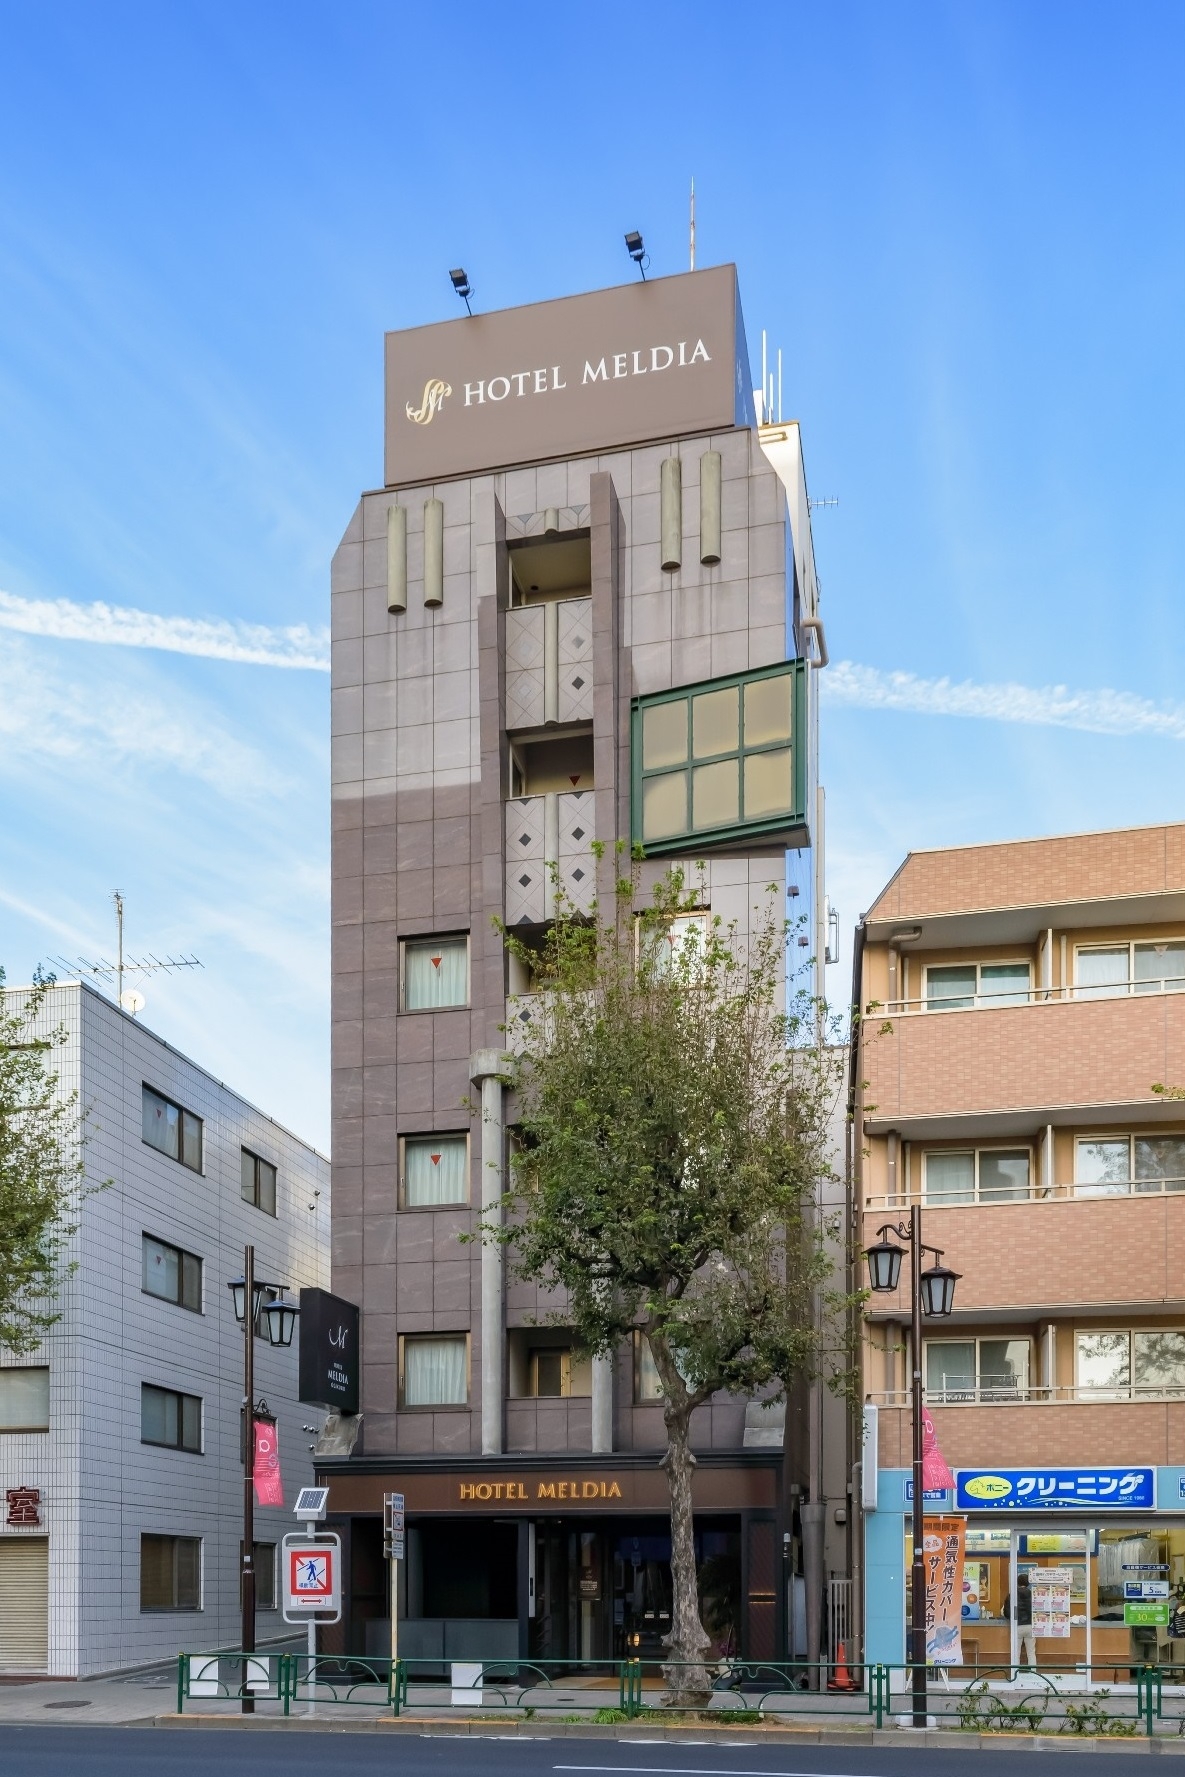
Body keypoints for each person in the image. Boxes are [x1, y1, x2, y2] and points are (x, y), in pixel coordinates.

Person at [1003, 1573, 1037, 1670]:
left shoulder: (1012, 1594)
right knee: (1031, 1653)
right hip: (1030, 1626)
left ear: (1017, 1583)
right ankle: (1033, 1674)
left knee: (1016, 1653)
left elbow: (1006, 1611)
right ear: (1028, 1583)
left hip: (1017, 1626)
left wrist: (1012, 1618)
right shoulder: (1033, 1594)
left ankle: (1015, 1675)